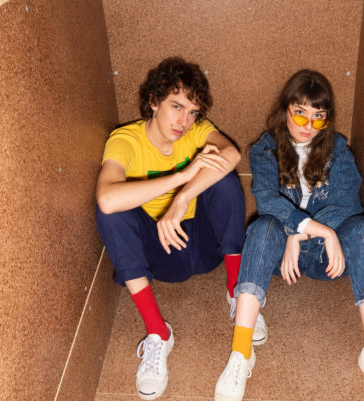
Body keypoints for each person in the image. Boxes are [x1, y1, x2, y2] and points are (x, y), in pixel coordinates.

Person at [214, 70, 364, 401]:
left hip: (326, 258)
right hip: (281, 256)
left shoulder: (339, 150)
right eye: (300, 113)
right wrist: (301, 232)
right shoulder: (264, 150)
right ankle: (240, 352)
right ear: (285, 110)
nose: (308, 125)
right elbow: (268, 200)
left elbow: (346, 204)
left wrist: (303, 235)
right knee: (262, 227)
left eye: (319, 116)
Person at [96, 57, 266, 400]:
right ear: (153, 101)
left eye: (192, 112)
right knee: (111, 212)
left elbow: (232, 154)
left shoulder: (197, 131)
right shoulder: (125, 140)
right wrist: (181, 177)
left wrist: (183, 198)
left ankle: (238, 291)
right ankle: (158, 333)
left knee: (224, 179)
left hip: (203, 245)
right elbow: (107, 199)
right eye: (176, 107)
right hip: (160, 253)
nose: (184, 121)